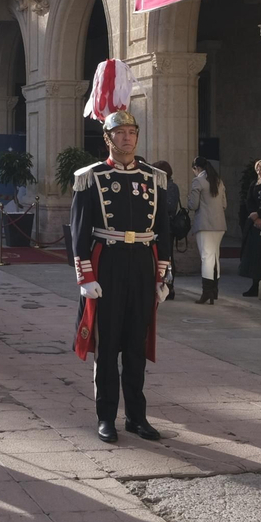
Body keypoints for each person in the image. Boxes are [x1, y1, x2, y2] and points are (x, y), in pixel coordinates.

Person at [72, 59, 171, 444]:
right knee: (107, 345)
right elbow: (79, 233)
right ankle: (106, 417)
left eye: (132, 132)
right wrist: (86, 277)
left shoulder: (154, 178)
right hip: (108, 264)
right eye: (121, 133)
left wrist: (162, 274)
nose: (128, 138)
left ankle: (137, 417)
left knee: (135, 345)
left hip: (142, 267)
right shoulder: (91, 178)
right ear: (108, 140)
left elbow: (161, 230)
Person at [187, 157, 228, 305]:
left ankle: (207, 292)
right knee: (215, 257)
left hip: (205, 224)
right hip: (219, 224)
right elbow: (224, 204)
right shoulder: (218, 181)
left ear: (196, 168)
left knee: (206, 258)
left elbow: (193, 204)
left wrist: (188, 199)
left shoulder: (198, 181)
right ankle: (214, 291)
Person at [153, 161, 188, 302]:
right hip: (156, 226)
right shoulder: (158, 185)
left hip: (167, 226)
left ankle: (169, 285)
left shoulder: (171, 186)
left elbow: (169, 206)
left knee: (167, 257)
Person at [240, 159, 261, 298]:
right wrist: (255, 217)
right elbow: (250, 201)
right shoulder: (255, 185)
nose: (259, 173)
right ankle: (254, 285)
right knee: (253, 255)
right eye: (257, 170)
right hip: (255, 225)